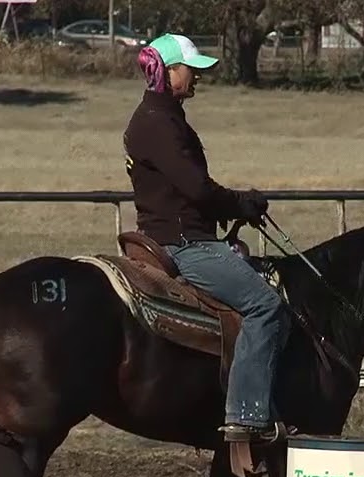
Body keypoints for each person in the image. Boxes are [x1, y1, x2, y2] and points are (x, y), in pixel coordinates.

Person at [123, 33, 289, 444]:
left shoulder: (163, 119)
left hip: (181, 234)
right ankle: (247, 415)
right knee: (266, 306)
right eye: (190, 70)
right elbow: (197, 189)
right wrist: (242, 203)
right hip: (186, 244)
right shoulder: (158, 124)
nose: (196, 78)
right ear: (165, 71)